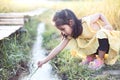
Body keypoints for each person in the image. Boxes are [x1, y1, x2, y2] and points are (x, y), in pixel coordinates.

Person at [38, 9, 120, 70]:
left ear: (70, 23)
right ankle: (91, 56)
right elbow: (58, 48)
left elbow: (100, 15)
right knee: (80, 41)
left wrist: (108, 25)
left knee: (101, 33)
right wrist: (43, 61)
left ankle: (100, 60)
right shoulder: (71, 33)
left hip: (106, 45)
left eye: (63, 29)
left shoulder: (86, 22)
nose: (63, 32)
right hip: (95, 47)